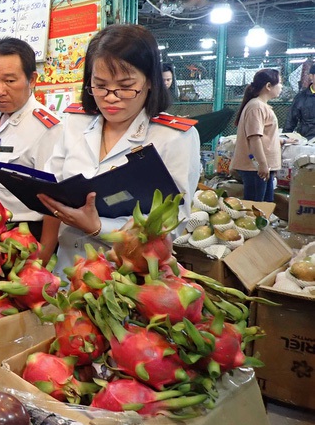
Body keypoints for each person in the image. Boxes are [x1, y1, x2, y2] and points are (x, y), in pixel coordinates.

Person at [37, 24, 201, 269]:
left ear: (150, 82)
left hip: (125, 277)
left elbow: (171, 222)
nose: (111, 97)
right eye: (100, 86)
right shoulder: (74, 122)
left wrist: (99, 228)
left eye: (125, 87)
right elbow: (53, 184)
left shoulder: (174, 137)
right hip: (68, 271)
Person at [0, 37, 63, 240]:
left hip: (23, 235)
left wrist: (44, 256)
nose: (0, 91)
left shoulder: (46, 128)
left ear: (32, 80)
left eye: (10, 81)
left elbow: (55, 198)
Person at [231, 68, 282, 202]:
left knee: (265, 207)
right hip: (256, 168)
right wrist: (262, 164)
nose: (282, 87)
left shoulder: (261, 106)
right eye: (280, 83)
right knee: (255, 208)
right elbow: (254, 138)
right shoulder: (256, 107)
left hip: (261, 167)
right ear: (268, 86)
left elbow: (264, 135)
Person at [284, 63, 315, 140]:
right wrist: (285, 137)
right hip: (307, 140)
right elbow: (291, 120)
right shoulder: (301, 97)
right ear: (311, 76)